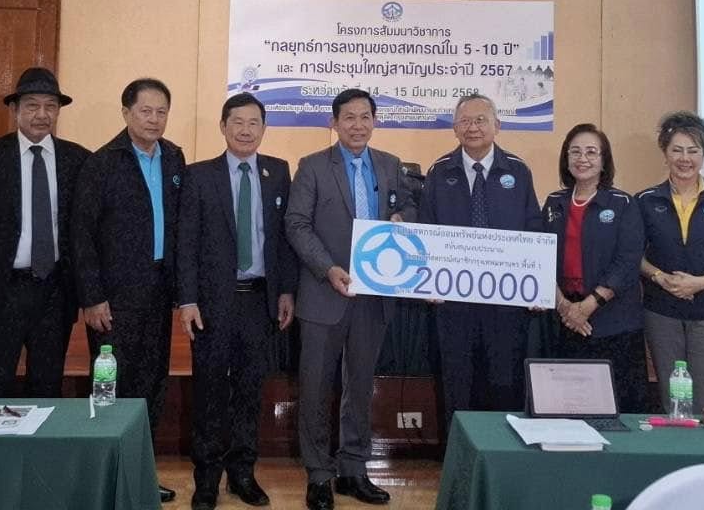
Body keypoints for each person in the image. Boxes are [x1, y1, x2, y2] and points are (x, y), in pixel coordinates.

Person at [285, 88, 416, 510]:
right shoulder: (312, 166)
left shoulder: (391, 165)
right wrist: (328, 269)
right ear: (334, 123)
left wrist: (402, 219)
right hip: (325, 292)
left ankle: (353, 469)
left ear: (375, 121)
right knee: (315, 386)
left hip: (373, 296)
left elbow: (410, 210)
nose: (358, 125)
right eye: (349, 118)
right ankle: (319, 474)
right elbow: (297, 224)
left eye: (365, 117)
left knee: (360, 386)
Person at [177, 93, 298, 510]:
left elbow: (283, 240)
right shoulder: (199, 175)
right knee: (209, 393)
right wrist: (187, 300)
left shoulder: (278, 172)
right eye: (238, 123)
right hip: (213, 304)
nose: (246, 131)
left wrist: (286, 291)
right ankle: (207, 480)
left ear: (263, 128)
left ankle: (243, 473)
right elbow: (186, 242)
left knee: (250, 392)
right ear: (223, 126)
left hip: (259, 301)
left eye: (254, 123)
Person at [72, 77, 185, 505]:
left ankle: (140, 476)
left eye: (161, 112)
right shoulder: (102, 163)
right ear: (126, 113)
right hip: (113, 299)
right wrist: (91, 296)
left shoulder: (174, 157)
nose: (154, 119)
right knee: (112, 388)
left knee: (151, 387)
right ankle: (106, 478)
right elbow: (81, 235)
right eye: (145, 111)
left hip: (158, 294)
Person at [0, 68, 90, 398]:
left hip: (54, 292)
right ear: (15, 109)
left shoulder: (77, 159)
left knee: (47, 386)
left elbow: (82, 230)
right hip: (1, 291)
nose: (42, 115)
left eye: (50, 106)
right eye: (32, 105)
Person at [419, 94, 544, 419]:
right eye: (464, 121)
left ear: (497, 125)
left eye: (480, 120)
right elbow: (425, 231)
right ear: (454, 128)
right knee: (456, 387)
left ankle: (501, 448)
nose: (472, 127)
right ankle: (457, 451)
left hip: (506, 303)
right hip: (453, 303)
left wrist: (539, 285)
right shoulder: (439, 172)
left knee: (505, 386)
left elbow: (534, 230)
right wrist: (427, 281)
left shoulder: (518, 171)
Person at [636, 111, 704, 414]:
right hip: (662, 311)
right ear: (665, 153)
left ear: (703, 155)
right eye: (677, 150)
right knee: (672, 398)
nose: (685, 159)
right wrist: (659, 277)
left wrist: (701, 282)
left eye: (693, 151)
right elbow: (633, 254)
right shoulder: (645, 201)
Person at [542, 124, 645, 414]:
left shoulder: (623, 203)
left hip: (614, 322)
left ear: (604, 160)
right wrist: (565, 306)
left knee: (618, 407)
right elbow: (540, 257)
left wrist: (588, 306)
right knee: (569, 407)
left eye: (591, 152)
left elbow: (627, 261)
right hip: (566, 321)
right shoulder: (554, 203)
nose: (582, 158)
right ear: (566, 159)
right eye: (575, 152)